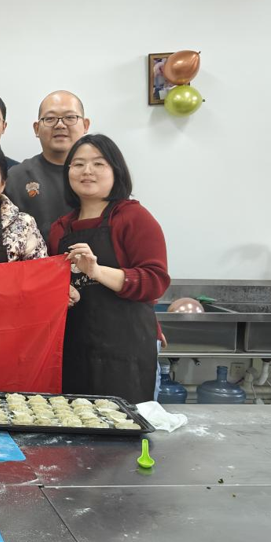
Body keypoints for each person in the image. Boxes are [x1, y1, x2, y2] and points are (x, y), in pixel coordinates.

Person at [47, 134, 170, 404]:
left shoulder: (133, 218)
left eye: (98, 163)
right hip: (74, 349)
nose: (87, 171)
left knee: (125, 423)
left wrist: (97, 271)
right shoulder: (59, 229)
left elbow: (155, 281)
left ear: (116, 170)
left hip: (127, 350)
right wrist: (61, 292)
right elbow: (50, 282)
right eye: (78, 164)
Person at [5, 90, 90, 241]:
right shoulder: (15, 177)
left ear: (85, 125)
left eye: (70, 117)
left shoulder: (101, 175)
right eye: (50, 118)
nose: (60, 125)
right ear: (36, 128)